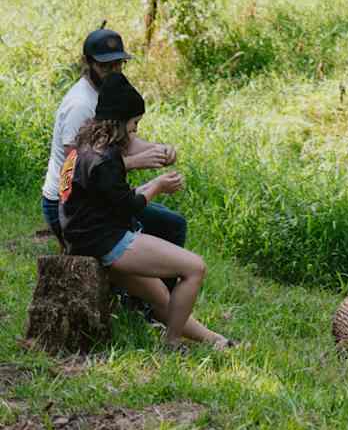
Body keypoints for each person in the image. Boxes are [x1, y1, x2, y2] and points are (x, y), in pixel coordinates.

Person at [59, 74, 232, 351]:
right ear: (120, 123)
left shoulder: (88, 145)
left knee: (162, 297)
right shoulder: (102, 160)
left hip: (83, 237)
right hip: (103, 241)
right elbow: (132, 205)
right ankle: (172, 344)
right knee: (194, 268)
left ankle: (217, 341)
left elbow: (115, 194)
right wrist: (159, 185)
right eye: (134, 124)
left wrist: (158, 157)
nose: (135, 131)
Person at [41, 28, 186, 251]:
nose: (114, 71)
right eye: (106, 66)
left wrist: (159, 150)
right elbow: (75, 168)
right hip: (67, 203)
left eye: (118, 64)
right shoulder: (80, 105)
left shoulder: (107, 91)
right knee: (170, 225)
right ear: (87, 63)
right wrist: (134, 162)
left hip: (93, 194)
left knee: (167, 217)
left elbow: (125, 138)